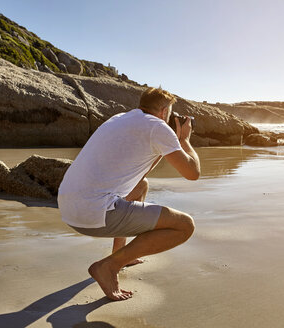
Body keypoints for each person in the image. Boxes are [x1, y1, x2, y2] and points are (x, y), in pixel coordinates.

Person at [58, 87, 200, 301]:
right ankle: (109, 266)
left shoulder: (119, 118)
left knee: (141, 185)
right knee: (184, 225)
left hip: (70, 209)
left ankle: (121, 253)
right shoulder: (158, 127)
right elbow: (192, 173)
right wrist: (184, 141)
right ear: (163, 111)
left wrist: (162, 149)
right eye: (170, 111)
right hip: (93, 215)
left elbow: (137, 174)